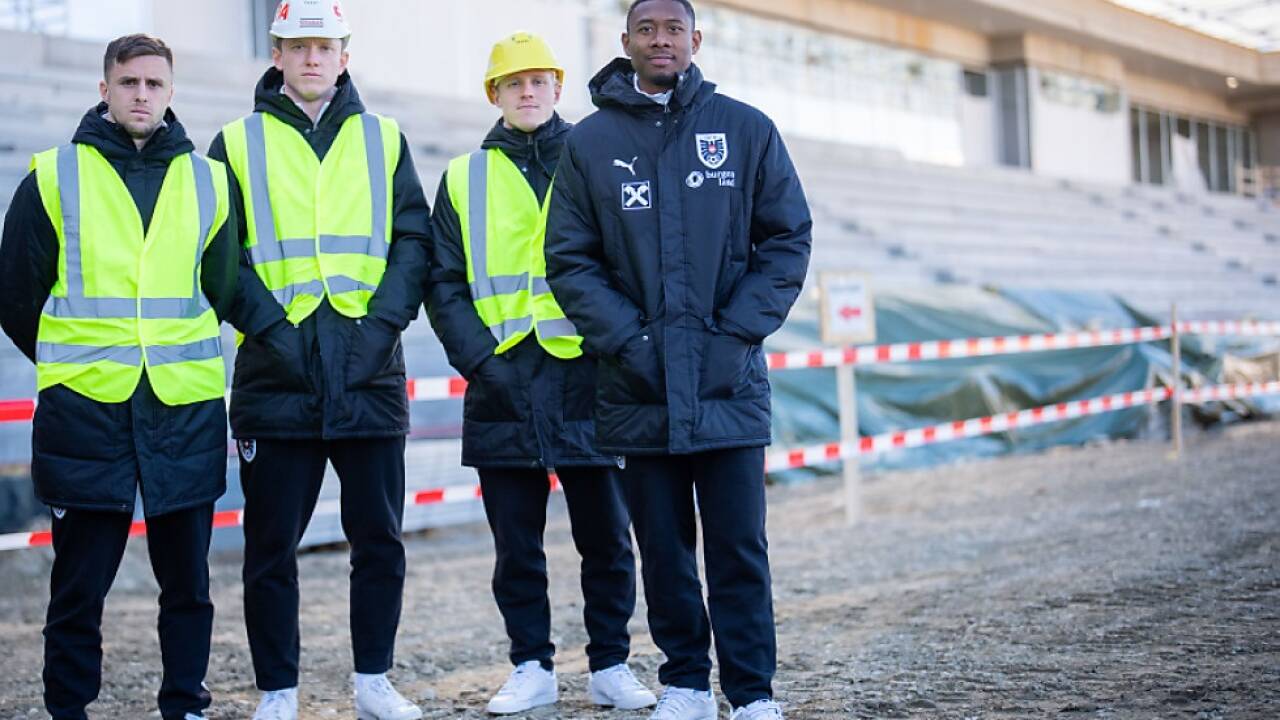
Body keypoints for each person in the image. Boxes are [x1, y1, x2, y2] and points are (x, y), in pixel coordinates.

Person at [544, 1, 813, 718]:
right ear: (625, 40)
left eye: (672, 30)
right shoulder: (591, 142)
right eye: (646, 29)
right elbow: (569, 259)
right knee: (662, 550)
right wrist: (630, 344)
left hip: (728, 383)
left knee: (738, 548)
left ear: (696, 40)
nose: (659, 40)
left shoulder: (746, 129)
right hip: (638, 386)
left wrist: (734, 337)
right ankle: (687, 684)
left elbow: (787, 240)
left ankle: (751, 694)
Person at [0, 34, 236, 720]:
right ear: (104, 89)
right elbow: (16, 293)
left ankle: (185, 704)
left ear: (170, 92)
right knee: (78, 586)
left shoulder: (209, 180)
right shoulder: (53, 175)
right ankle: (68, 707)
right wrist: (73, 360)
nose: (141, 94)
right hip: (86, 411)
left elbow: (223, 285)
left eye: (154, 84)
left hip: (182, 408)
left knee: (188, 584)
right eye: (129, 82)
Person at [205, 2, 430, 718]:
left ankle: (374, 682)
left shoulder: (383, 138)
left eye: (323, 46)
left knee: (379, 541)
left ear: (343, 55)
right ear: (276, 53)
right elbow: (220, 255)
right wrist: (272, 329)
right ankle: (278, 691)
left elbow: (413, 241)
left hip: (369, 369)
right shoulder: (234, 143)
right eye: (298, 46)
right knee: (270, 548)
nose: (311, 57)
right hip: (276, 372)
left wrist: (380, 326)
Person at [424, 31, 656, 716]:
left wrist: (612, 348)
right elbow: (444, 281)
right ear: (494, 94)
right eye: (513, 83)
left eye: (537, 81)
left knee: (607, 539)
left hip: (590, 374)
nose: (526, 92)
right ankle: (531, 666)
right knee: (515, 545)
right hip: (503, 378)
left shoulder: (598, 158)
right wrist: (481, 361)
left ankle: (610, 664)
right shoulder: (463, 177)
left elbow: (630, 262)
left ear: (557, 88)